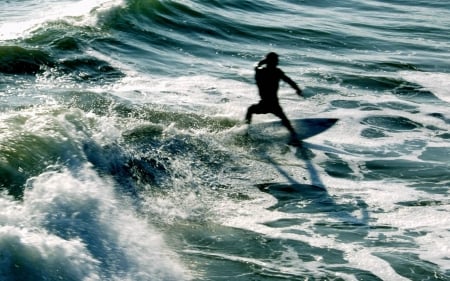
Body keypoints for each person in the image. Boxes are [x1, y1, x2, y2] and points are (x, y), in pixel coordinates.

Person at [245, 52, 303, 144]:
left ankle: (246, 129)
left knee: (250, 110)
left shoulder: (260, 71)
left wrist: (263, 61)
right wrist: (297, 89)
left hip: (265, 103)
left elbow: (256, 66)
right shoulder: (277, 72)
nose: (278, 63)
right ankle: (293, 134)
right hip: (272, 103)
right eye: (276, 61)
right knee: (284, 119)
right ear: (273, 62)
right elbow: (289, 81)